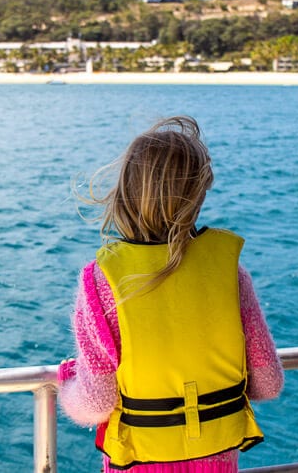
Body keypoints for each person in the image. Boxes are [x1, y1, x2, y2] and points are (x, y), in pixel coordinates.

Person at [59, 116, 283, 472]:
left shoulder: (101, 283)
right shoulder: (231, 277)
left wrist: (64, 383)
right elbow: (268, 384)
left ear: (125, 191)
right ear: (198, 196)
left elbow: (95, 403)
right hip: (217, 459)